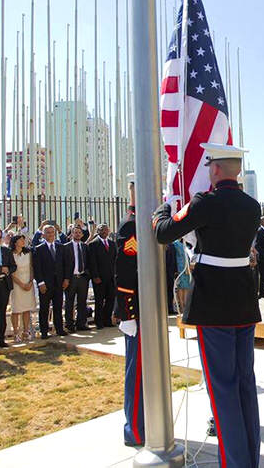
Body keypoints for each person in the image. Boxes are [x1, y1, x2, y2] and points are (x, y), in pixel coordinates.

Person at [154, 143, 262, 468]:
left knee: (223, 390)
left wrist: (162, 209)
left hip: (214, 305)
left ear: (214, 169)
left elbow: (164, 232)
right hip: (243, 303)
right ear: (237, 170)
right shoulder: (252, 205)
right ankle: (248, 460)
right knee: (244, 385)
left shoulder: (205, 202)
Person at [115, 173, 145, 448]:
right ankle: (134, 429)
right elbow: (124, 273)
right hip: (136, 311)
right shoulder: (131, 225)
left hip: (148, 309)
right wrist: (129, 313)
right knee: (136, 374)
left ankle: (145, 424)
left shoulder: (145, 222)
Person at [33, 224, 67, 338]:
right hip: (45, 284)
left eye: (52, 232)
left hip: (58, 283)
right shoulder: (39, 249)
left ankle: (59, 329)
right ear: (43, 234)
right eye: (48, 232)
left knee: (58, 307)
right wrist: (40, 283)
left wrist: (66, 279)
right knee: (44, 308)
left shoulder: (60, 247)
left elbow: (65, 265)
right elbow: (37, 268)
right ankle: (44, 331)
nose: (51, 234)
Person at [62, 224, 91, 332]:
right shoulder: (66, 247)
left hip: (83, 277)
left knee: (82, 302)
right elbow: (63, 264)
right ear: (71, 234)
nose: (77, 234)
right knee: (69, 302)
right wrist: (65, 279)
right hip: (71, 278)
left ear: (82, 234)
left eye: (79, 232)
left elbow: (88, 261)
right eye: (75, 232)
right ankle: (69, 325)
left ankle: (81, 324)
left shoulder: (85, 246)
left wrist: (88, 275)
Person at [88, 223, 117, 328]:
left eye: (106, 230)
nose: (104, 232)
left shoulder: (112, 244)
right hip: (99, 278)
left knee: (111, 299)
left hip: (111, 277)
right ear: (98, 231)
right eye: (102, 230)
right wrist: (95, 276)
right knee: (99, 300)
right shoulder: (93, 244)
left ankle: (107, 319)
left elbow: (115, 260)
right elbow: (92, 262)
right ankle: (99, 321)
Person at [9, 234, 37, 342]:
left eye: (23, 240)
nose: (22, 241)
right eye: (20, 240)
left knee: (26, 308)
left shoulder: (28, 253)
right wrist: (21, 284)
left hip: (28, 282)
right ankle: (16, 333)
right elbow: (11, 273)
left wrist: (30, 281)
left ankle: (26, 331)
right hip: (16, 283)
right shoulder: (11, 254)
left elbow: (31, 267)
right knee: (16, 309)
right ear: (15, 242)